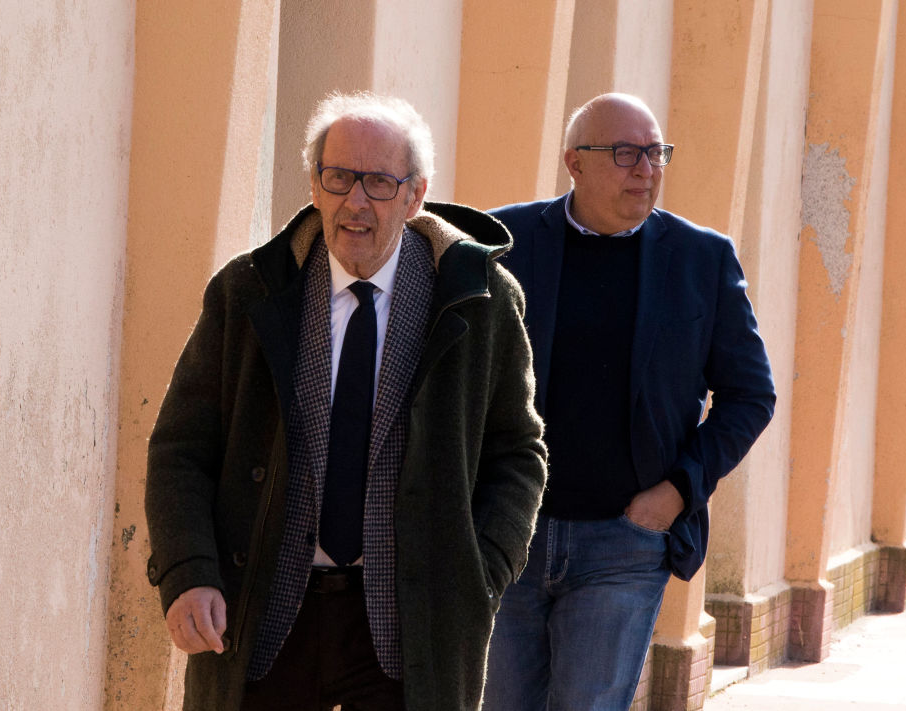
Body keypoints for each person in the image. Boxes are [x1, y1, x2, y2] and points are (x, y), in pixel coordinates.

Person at [144, 91, 547, 711]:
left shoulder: (478, 299)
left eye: (379, 183)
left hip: (410, 627)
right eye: (338, 179)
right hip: (262, 616)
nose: (355, 202)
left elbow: (517, 452)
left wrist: (480, 571)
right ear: (314, 185)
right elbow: (180, 449)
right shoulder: (248, 292)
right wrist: (188, 572)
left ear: (415, 196)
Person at [483, 93, 777, 710]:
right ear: (574, 163)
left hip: (624, 542)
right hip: (508, 533)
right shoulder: (503, 245)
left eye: (654, 152)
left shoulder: (703, 259)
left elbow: (751, 395)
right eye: (625, 154)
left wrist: (677, 491)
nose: (646, 169)